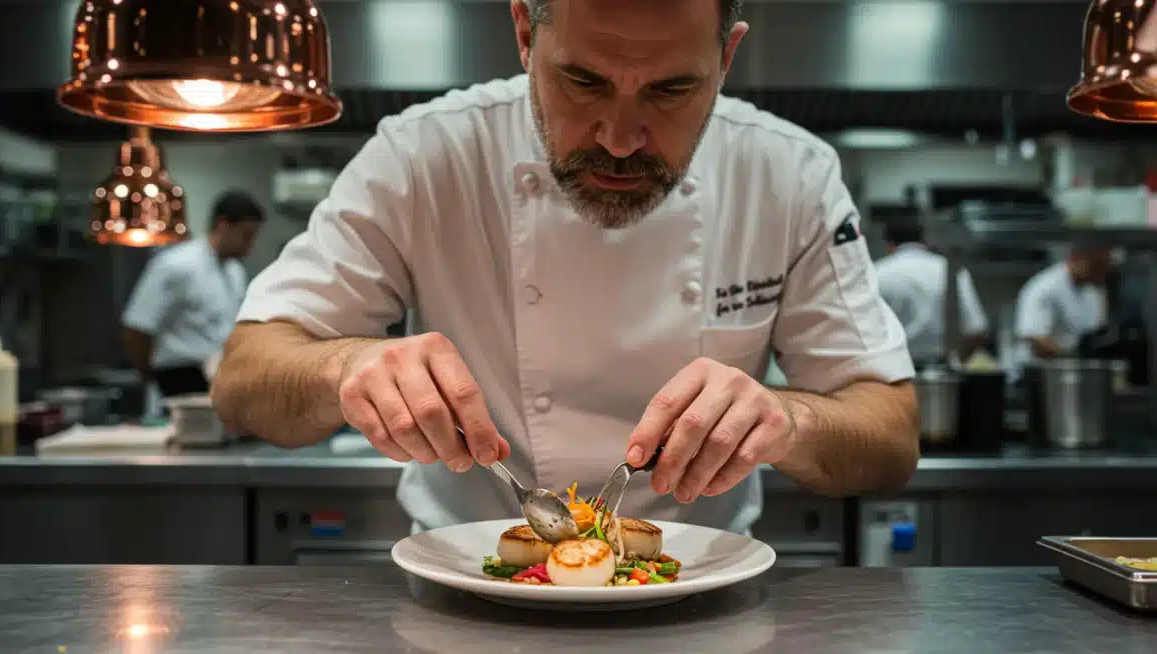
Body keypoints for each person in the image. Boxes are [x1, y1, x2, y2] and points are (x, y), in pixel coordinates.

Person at [211, 0, 920, 533]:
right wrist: (347, 368)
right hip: (466, 603)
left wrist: (788, 419)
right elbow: (243, 381)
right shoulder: (425, 156)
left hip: (704, 607)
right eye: (582, 81)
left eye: (670, 90)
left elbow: (890, 438)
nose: (620, 139)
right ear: (524, 33)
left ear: (727, 55)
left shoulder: (789, 176)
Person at [122, 190, 264, 399]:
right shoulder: (176, 265)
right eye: (246, 236)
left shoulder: (235, 272)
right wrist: (149, 379)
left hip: (220, 375)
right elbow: (138, 328)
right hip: (178, 377)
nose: (250, 245)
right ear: (223, 225)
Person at [874, 213, 990, 367]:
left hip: (893, 370)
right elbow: (977, 331)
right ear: (924, 240)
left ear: (888, 243)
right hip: (942, 371)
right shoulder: (951, 271)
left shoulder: (876, 273)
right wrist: (956, 361)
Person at [1014, 245, 1113, 364]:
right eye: (1096, 264)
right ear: (1075, 258)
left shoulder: (1092, 291)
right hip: (1041, 369)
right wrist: (1074, 358)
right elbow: (1036, 341)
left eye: (1104, 266)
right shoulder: (1045, 288)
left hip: (1076, 367)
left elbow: (1094, 335)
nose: (1101, 272)